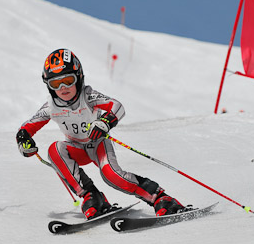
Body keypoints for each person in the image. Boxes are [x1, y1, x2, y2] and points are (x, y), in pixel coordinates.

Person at [16, 48, 186, 219]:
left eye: (68, 80)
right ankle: (92, 196)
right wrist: (24, 141)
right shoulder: (51, 106)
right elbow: (26, 128)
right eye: (55, 84)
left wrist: (105, 121)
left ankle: (161, 199)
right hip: (76, 149)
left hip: (98, 144)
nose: (63, 88)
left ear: (79, 77)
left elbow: (117, 106)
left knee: (112, 176)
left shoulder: (88, 96)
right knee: (55, 150)